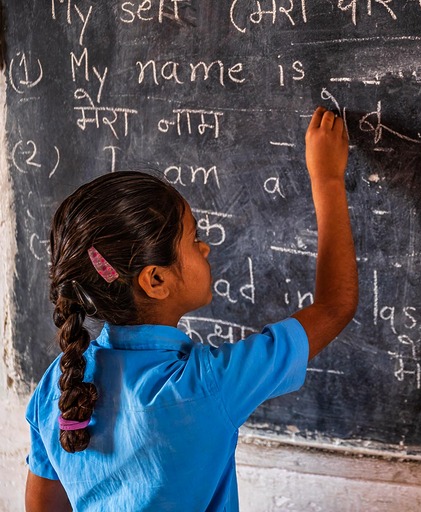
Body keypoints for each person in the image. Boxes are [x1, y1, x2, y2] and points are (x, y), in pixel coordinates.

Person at [24, 106, 358, 511]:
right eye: (193, 238)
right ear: (156, 281)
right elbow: (334, 307)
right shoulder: (208, 384)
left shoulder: (55, 388)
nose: (206, 247)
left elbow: (43, 506)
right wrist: (326, 178)